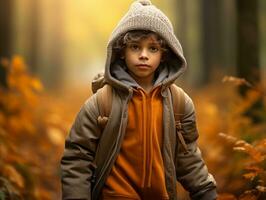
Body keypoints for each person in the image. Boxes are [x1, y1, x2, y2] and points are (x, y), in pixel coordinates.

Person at [60, 0, 217, 199]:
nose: (143, 55)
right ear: (122, 52)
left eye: (152, 48)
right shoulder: (101, 103)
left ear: (164, 54)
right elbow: (77, 157)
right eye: (135, 47)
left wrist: (205, 191)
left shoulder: (179, 103)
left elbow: (188, 157)